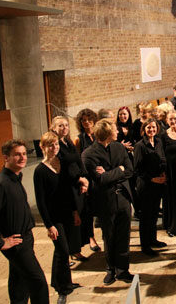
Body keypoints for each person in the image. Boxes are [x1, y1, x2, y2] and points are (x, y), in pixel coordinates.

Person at [0, 139, 49, 304]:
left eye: (24, 154)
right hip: (16, 242)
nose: (22, 158)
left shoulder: (15, 178)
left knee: (19, 281)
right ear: (6, 158)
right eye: (17, 154)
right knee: (38, 282)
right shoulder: (1, 184)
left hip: (24, 238)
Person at [81, 119, 135, 285]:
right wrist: (119, 170)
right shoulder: (88, 154)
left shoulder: (118, 147)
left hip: (123, 198)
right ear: (106, 133)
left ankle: (123, 270)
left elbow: (130, 170)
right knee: (109, 237)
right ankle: (111, 270)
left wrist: (110, 173)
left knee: (123, 236)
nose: (117, 131)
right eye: (114, 129)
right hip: (105, 201)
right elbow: (100, 180)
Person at [34, 132, 82, 304]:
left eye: (55, 144)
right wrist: (49, 225)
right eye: (49, 145)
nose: (53, 148)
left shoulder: (62, 163)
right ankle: (62, 289)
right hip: (54, 218)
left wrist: (75, 212)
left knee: (64, 250)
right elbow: (41, 201)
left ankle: (62, 282)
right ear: (42, 147)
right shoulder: (40, 171)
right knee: (62, 250)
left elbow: (69, 191)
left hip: (67, 213)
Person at [51, 116, 90, 263]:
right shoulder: (55, 145)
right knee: (70, 221)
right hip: (66, 187)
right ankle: (66, 253)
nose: (64, 128)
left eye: (66, 125)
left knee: (77, 220)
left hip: (77, 185)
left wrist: (84, 178)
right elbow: (61, 170)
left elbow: (78, 160)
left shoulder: (67, 141)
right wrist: (78, 179)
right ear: (53, 127)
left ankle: (75, 250)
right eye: (60, 126)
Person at [134, 118, 168, 256]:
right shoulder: (140, 146)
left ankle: (153, 239)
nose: (151, 130)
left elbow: (163, 159)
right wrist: (153, 178)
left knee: (154, 214)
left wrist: (164, 174)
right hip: (146, 184)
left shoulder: (159, 142)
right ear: (144, 129)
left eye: (153, 127)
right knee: (145, 217)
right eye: (148, 128)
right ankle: (145, 245)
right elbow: (137, 169)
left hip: (158, 183)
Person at [73, 108, 101, 252]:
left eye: (89, 120)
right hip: (88, 177)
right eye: (83, 120)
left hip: (100, 174)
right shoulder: (79, 139)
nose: (87, 123)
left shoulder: (98, 135)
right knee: (88, 210)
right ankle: (91, 237)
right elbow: (77, 161)